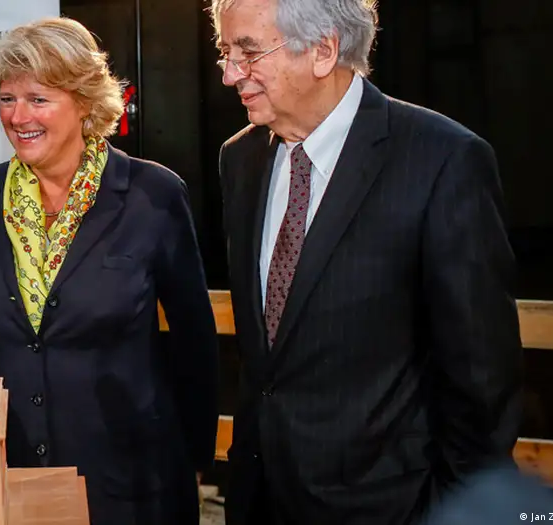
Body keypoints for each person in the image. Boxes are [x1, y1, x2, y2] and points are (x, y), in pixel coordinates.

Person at [210, 0, 523, 523]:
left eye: (248, 53)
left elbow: (481, 380)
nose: (228, 74)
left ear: (323, 50)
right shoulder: (240, 159)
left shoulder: (442, 160)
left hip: (390, 505)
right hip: (260, 499)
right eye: (225, 52)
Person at [0, 17, 220, 524]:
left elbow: (195, 342)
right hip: (17, 476)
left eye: (38, 99)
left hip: (131, 484)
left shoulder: (153, 194)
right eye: (7, 98)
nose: (18, 116)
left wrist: (194, 462)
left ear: (84, 102)